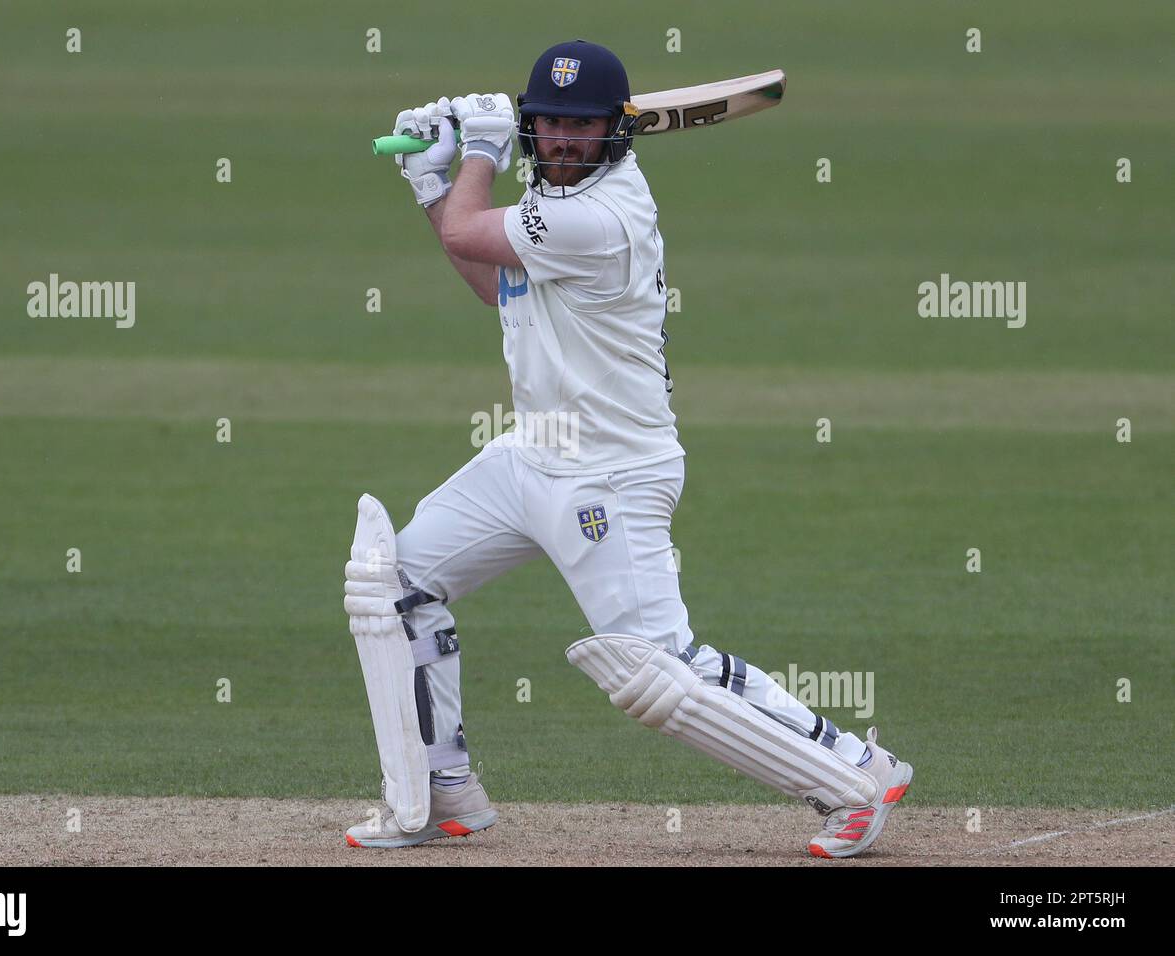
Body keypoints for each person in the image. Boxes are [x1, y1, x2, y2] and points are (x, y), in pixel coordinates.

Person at [343, 39, 912, 859]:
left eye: (581, 127)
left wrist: (472, 152)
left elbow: (469, 230)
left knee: (654, 670)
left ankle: (856, 775)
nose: (564, 141)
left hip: (610, 472)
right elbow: (494, 280)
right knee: (394, 585)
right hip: (529, 457)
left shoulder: (603, 216)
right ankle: (441, 792)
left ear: (616, 133)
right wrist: (435, 180)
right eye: (548, 124)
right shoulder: (550, 209)